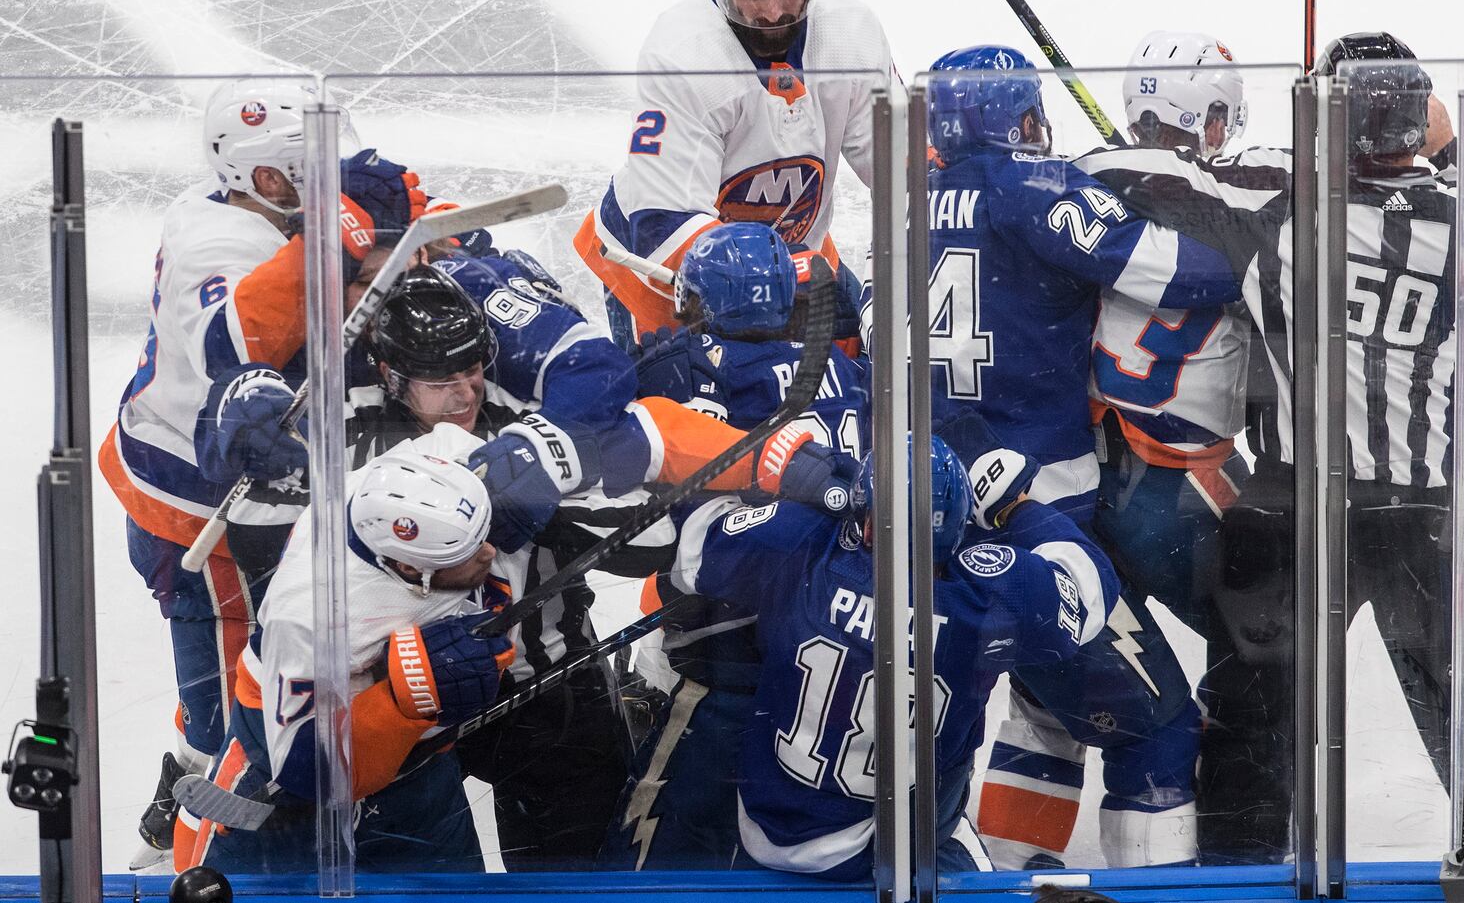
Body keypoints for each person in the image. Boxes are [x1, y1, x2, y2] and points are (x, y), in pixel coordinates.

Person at [1074, 30, 1464, 862]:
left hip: (1293, 510)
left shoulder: (1275, 211)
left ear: (1330, 124)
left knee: (1254, 716)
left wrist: (1285, 154)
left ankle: (1240, 880)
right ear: (1418, 124)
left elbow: (1118, 174)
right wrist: (1455, 153)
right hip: (1434, 512)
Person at [196, 255, 859, 867]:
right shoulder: (313, 595)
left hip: (541, 680)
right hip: (390, 721)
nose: (464, 396)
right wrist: (399, 701)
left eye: (472, 372)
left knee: (571, 869)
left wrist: (777, 460)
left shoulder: (466, 444)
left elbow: (647, 433)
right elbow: (300, 756)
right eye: (441, 382)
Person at [909, 44, 1241, 869]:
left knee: (1046, 707)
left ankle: (1017, 876)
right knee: (1159, 723)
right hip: (1039, 516)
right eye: (1028, 115)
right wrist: (1238, 234)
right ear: (1011, 117)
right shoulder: (1032, 187)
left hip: (935, 511)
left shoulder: (908, 205)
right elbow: (1188, 274)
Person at [97, 79, 426, 868]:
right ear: (270, 181)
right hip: (193, 512)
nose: (333, 166)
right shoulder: (215, 237)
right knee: (234, 715)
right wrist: (341, 243)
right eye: (310, 162)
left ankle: (169, 797)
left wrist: (370, 224)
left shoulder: (261, 206)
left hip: (221, 489)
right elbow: (231, 337)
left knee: (240, 672)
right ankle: (188, 860)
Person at [670, 437, 1120, 879]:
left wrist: (788, 476)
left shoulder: (804, 544)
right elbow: (1091, 588)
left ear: (865, 520)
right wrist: (1016, 509)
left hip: (764, 831)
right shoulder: (985, 600)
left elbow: (692, 553)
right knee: (964, 856)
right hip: (891, 851)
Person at [603, 223, 870, 870]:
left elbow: (647, 480)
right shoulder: (842, 367)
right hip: (839, 636)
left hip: (731, 646)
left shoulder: (690, 368)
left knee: (655, 850)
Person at [572, 0, 894, 343]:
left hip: (794, 258)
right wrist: (790, 279)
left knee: (849, 393)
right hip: (668, 282)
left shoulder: (852, 33)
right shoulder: (684, 53)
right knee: (702, 409)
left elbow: (905, 168)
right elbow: (664, 225)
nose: (772, 12)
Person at [180, 443, 515, 874]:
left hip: (421, 771)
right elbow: (305, 768)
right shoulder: (308, 617)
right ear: (409, 569)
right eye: (465, 553)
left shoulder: (384, 487)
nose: (488, 553)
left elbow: (451, 443)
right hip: (282, 783)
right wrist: (402, 697)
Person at [1091, 30, 1252, 638]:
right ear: (1205, 117)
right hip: (1186, 492)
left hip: (1091, 475)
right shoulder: (1238, 206)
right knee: (1265, 671)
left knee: (1059, 713)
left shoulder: (1089, 190)